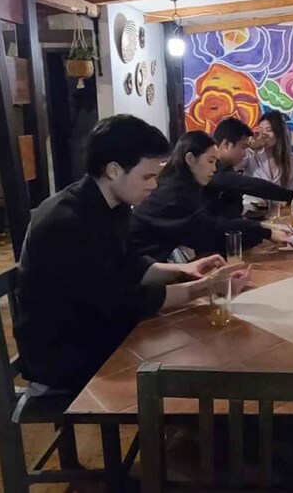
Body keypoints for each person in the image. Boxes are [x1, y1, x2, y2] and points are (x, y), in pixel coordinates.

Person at [15, 115, 247, 392]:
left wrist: (183, 271)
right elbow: (118, 302)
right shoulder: (66, 220)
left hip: (98, 329)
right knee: (198, 363)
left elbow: (128, 264)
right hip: (66, 356)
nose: (154, 185)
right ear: (114, 170)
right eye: (147, 176)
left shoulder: (113, 204)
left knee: (204, 343)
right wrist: (202, 288)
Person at [131, 131, 293, 262]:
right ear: (190, 159)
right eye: (210, 161)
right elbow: (211, 230)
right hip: (138, 268)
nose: (214, 169)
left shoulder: (181, 184)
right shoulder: (173, 193)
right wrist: (265, 232)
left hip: (153, 261)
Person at [208, 117, 293, 219]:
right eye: (243, 147)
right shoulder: (211, 170)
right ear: (226, 144)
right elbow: (252, 185)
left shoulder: (226, 168)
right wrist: (292, 195)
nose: (245, 154)